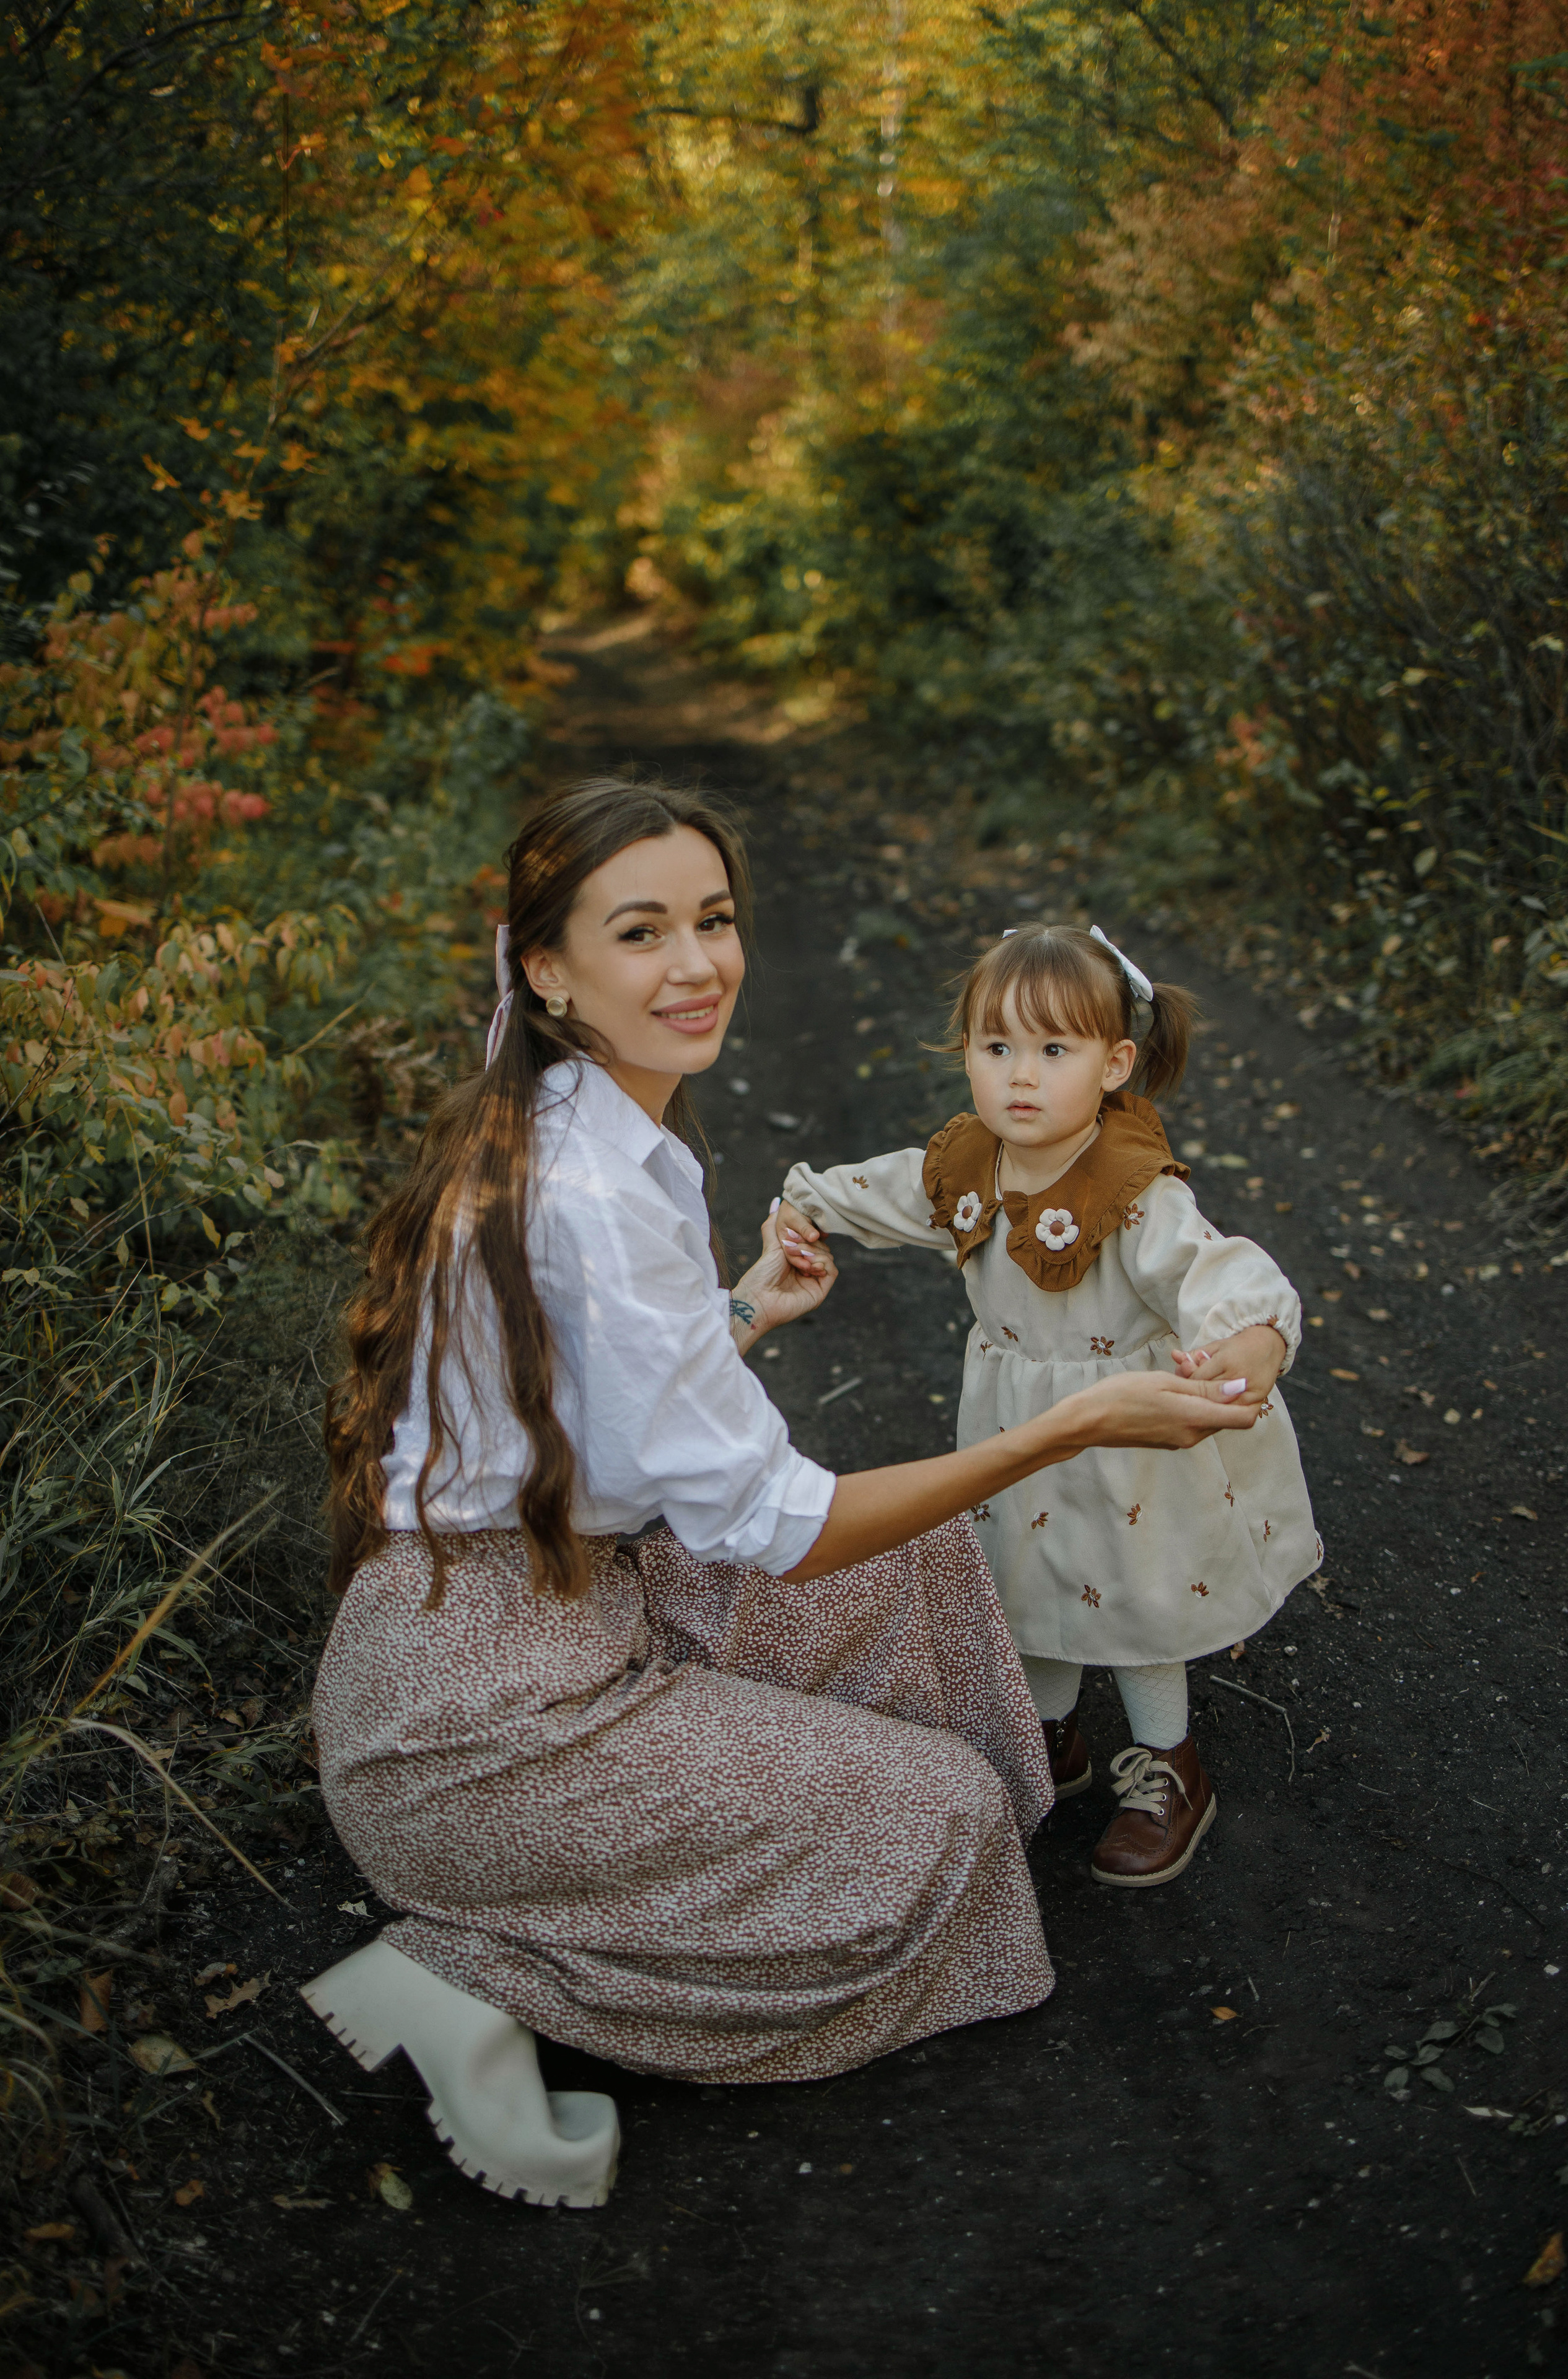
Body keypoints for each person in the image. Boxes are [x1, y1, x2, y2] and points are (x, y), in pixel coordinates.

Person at [301, 783, 1261, 2212]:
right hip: (477, 1732)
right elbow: (781, 1527)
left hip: (555, 1604)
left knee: (925, 1558)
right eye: (641, 932)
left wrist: (736, 1310)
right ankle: (472, 1974)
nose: (696, 966)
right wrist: (1068, 1426)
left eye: (715, 920)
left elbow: (594, 1396)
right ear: (548, 969)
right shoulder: (589, 1186)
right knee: (940, 1819)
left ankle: (773, 1832)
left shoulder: (602, 1124)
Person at [778, 922, 1320, 1890]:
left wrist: (1248, 1338)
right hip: (1014, 1425)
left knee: (1135, 1591)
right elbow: (895, 1190)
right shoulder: (970, 1165)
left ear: (1115, 1065)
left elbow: (1216, 1268)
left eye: (1054, 1050)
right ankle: (1050, 1738)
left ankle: (1168, 1764)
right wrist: (810, 1206)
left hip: (1129, 1435)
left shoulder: (1133, 1192)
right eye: (998, 1048)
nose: (1020, 1077)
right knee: (1023, 1575)